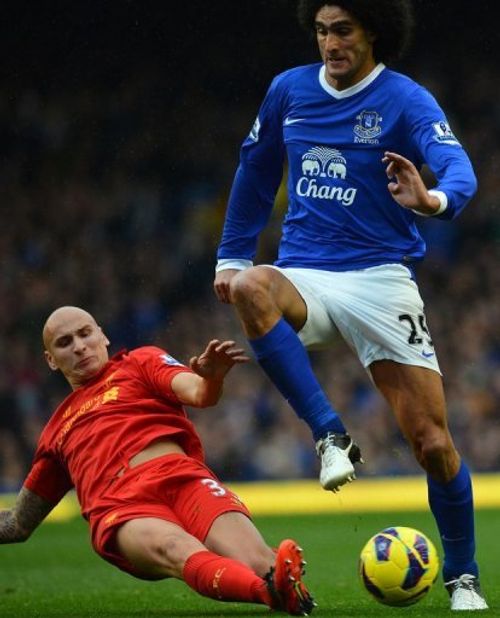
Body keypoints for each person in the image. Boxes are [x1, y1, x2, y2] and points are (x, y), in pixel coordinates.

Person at [213, 0, 487, 611]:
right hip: (305, 273)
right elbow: (255, 170)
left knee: (433, 444)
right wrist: (230, 256)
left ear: (373, 34)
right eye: (320, 30)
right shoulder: (289, 90)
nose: (329, 43)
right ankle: (329, 435)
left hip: (380, 279)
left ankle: (462, 577)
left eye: (342, 30)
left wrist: (433, 198)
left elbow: (457, 166)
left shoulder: (404, 99)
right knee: (251, 286)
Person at [0, 306, 315, 616]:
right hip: (120, 507)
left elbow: (199, 392)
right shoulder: (56, 431)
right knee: (177, 549)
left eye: (85, 334)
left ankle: (275, 583)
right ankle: (271, 591)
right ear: (51, 360)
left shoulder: (140, 362)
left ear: (103, 335)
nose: (80, 346)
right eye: (65, 342)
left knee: (258, 562)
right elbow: (18, 524)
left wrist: (213, 379)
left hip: (182, 478)